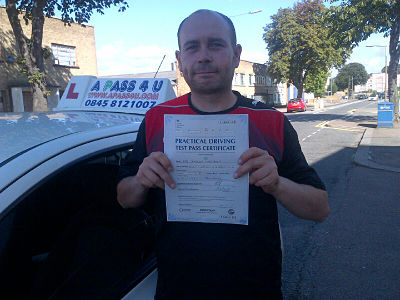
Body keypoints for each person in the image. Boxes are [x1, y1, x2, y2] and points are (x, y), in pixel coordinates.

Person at [117, 9, 329, 299]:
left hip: (255, 289)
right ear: (180, 60)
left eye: (216, 44)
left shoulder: (271, 121)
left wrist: (277, 183)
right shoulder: (157, 118)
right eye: (192, 47)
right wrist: (141, 180)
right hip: (177, 290)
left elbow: (319, 208)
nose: (203, 56)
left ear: (236, 54)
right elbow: (124, 198)